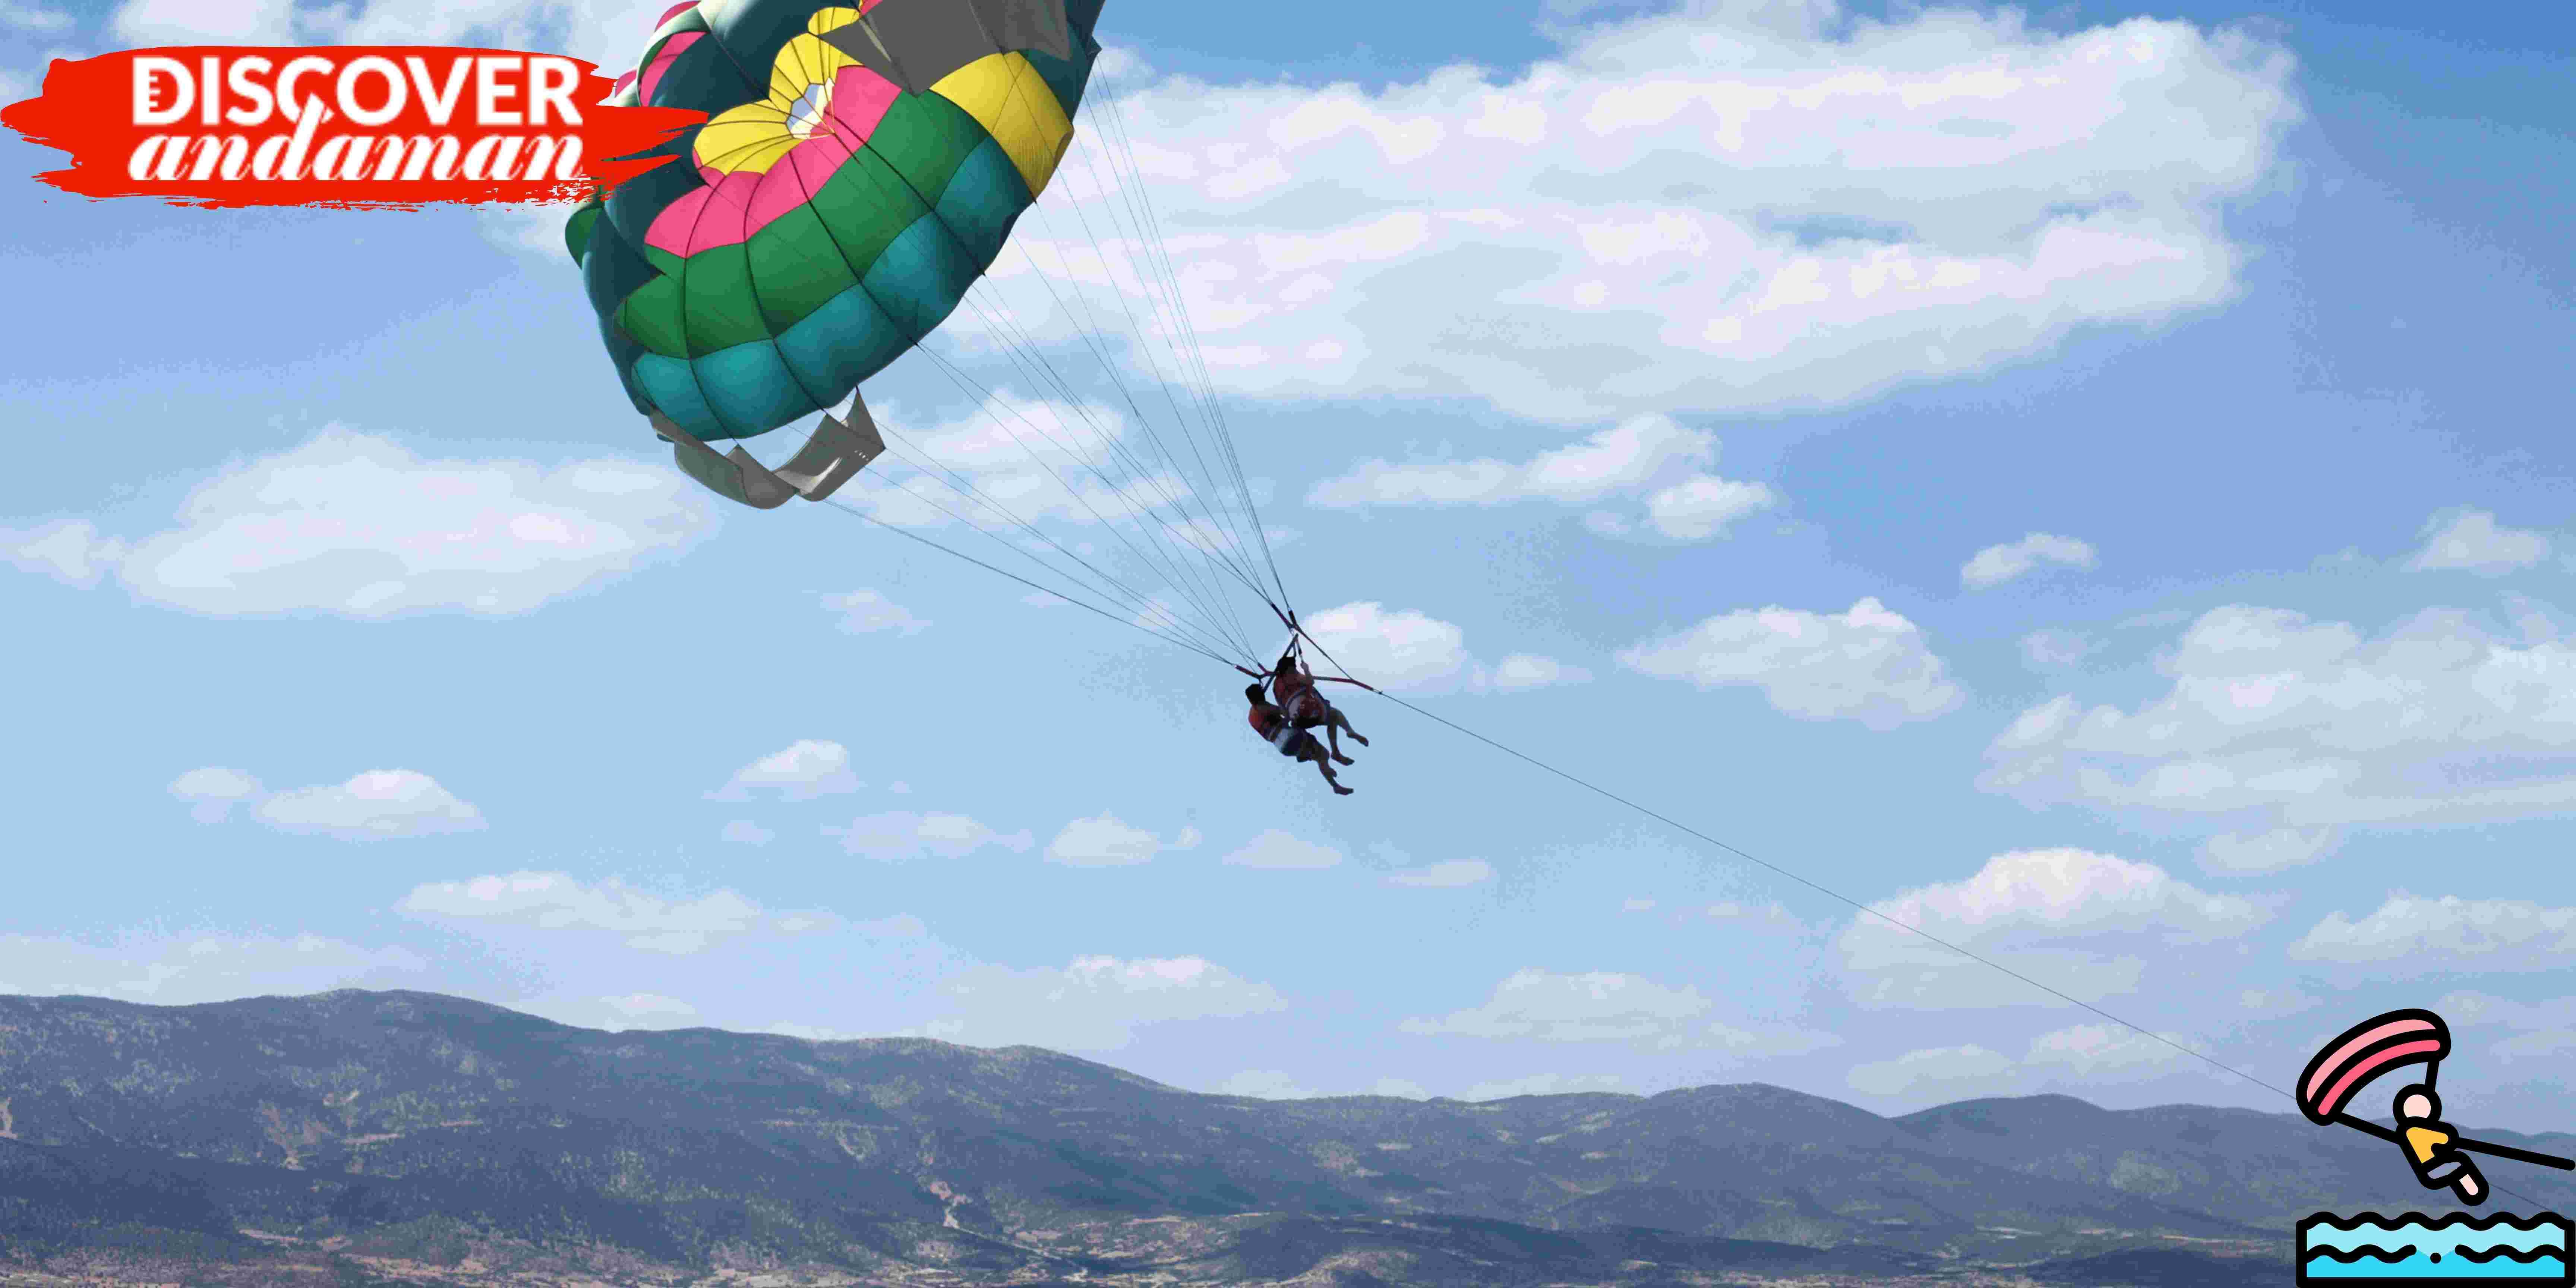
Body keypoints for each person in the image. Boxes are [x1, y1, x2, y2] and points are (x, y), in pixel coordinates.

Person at [1264, 643, 1368, 764]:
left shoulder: (1276, 687)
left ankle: (1337, 752)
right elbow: (1310, 681)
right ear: (1289, 668)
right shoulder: (1292, 674)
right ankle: (1347, 735)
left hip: (1298, 721)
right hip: (1308, 713)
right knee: (1334, 715)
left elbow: (1283, 711)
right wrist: (1306, 669)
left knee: (1331, 718)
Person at [1246, 682, 1352, 795]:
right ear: (1260, 695)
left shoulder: (1251, 717)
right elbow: (1286, 713)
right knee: (1324, 754)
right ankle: (1333, 783)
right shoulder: (1263, 707)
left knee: (1321, 757)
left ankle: (1329, 778)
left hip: (1283, 748)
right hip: (1293, 737)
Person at [2392, 1085, 2485, 1203]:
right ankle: (2475, 1193)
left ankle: (2473, 1193)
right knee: (2460, 1158)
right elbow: (2447, 1138)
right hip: (2432, 1172)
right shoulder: (2416, 1130)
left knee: (2458, 1160)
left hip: (2428, 1172)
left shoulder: (2407, 1132)